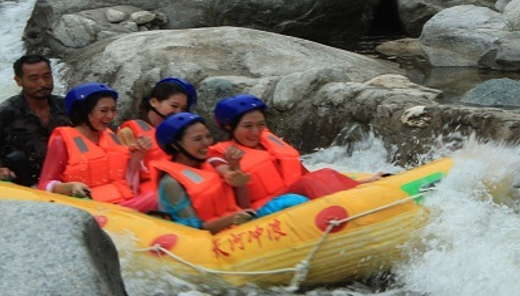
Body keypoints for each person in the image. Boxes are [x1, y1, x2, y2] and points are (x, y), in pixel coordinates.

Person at [211, 94, 383, 205]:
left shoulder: (267, 141)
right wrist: (234, 168)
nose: (255, 132)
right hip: (268, 208)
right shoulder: (221, 154)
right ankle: (354, 204)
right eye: (247, 126)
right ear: (228, 126)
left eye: (260, 125)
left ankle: (359, 193)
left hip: (297, 199)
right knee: (309, 184)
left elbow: (304, 174)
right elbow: (231, 190)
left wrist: (362, 182)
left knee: (323, 173)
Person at [37, 83, 154, 211]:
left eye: (113, 110)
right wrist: (69, 187)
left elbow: (128, 181)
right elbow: (44, 185)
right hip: (88, 208)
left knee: (155, 196)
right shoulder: (61, 140)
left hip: (121, 205)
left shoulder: (111, 136)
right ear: (84, 111)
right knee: (155, 199)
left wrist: (137, 156)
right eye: (104, 111)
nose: (110, 116)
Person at [0, 54, 70, 187]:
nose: (43, 83)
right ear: (19, 81)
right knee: (17, 158)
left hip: (65, 179)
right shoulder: (2, 115)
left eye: (47, 76)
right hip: (24, 185)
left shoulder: (68, 107)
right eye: (34, 79)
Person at [153, 112, 256, 233]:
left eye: (208, 136)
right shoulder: (170, 183)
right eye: (198, 139)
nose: (207, 142)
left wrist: (236, 170)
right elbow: (194, 231)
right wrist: (233, 219)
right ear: (175, 145)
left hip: (236, 229)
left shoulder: (212, 163)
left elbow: (244, 205)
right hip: (211, 242)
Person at [118, 77, 197, 195]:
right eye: (174, 106)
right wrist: (137, 156)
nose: (178, 113)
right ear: (154, 102)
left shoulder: (181, 134)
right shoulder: (128, 132)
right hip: (146, 195)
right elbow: (122, 176)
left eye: (183, 109)